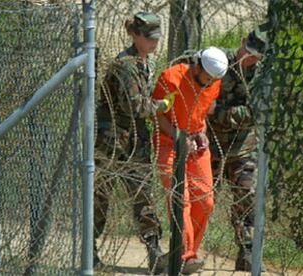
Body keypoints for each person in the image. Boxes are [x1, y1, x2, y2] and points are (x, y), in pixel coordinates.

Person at [94, 11, 175, 274]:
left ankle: (153, 251)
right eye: (149, 38)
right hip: (113, 142)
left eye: (156, 38)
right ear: (135, 35)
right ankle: (89, 251)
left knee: (143, 195)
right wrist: (161, 105)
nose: (154, 43)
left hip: (135, 142)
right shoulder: (125, 65)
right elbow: (134, 106)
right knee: (101, 197)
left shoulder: (143, 62)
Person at [152, 47, 228, 275]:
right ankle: (185, 255)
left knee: (206, 202)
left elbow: (201, 112)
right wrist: (177, 137)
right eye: (206, 79)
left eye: (213, 81)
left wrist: (201, 132)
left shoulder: (213, 82)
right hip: (169, 143)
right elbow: (155, 113)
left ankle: (182, 255)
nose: (209, 84)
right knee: (180, 199)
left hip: (195, 144)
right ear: (197, 66)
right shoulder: (171, 79)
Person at [208, 25, 268, 271]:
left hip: (243, 145)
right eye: (248, 51)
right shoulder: (216, 62)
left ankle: (247, 252)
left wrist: (219, 112)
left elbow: (256, 112)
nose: (250, 58)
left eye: (256, 56)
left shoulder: (263, 75)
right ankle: (187, 251)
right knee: (200, 200)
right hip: (209, 144)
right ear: (242, 41)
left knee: (247, 197)